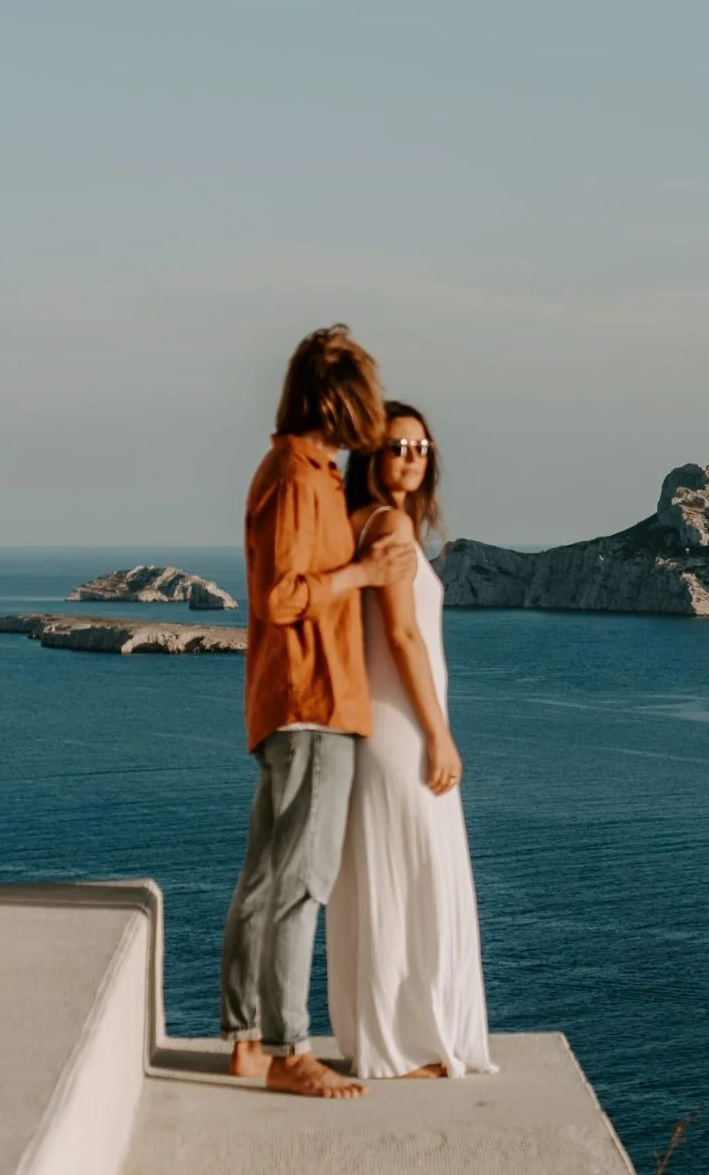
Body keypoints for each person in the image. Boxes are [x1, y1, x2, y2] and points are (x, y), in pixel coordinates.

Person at [220, 326, 417, 1099]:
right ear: (336, 400)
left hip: (296, 700)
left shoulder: (303, 474)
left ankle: (245, 1039)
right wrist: (364, 571)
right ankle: (288, 1047)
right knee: (301, 881)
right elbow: (280, 595)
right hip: (315, 700)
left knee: (265, 880)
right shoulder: (300, 478)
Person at [326, 403, 497, 1079]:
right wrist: (440, 733)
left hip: (374, 727)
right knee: (417, 875)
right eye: (397, 444)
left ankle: (386, 1038)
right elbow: (402, 636)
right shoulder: (389, 523)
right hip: (401, 731)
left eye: (421, 445)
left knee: (385, 878)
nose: (411, 454)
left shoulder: (357, 522)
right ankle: (412, 1044)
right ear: (370, 453)